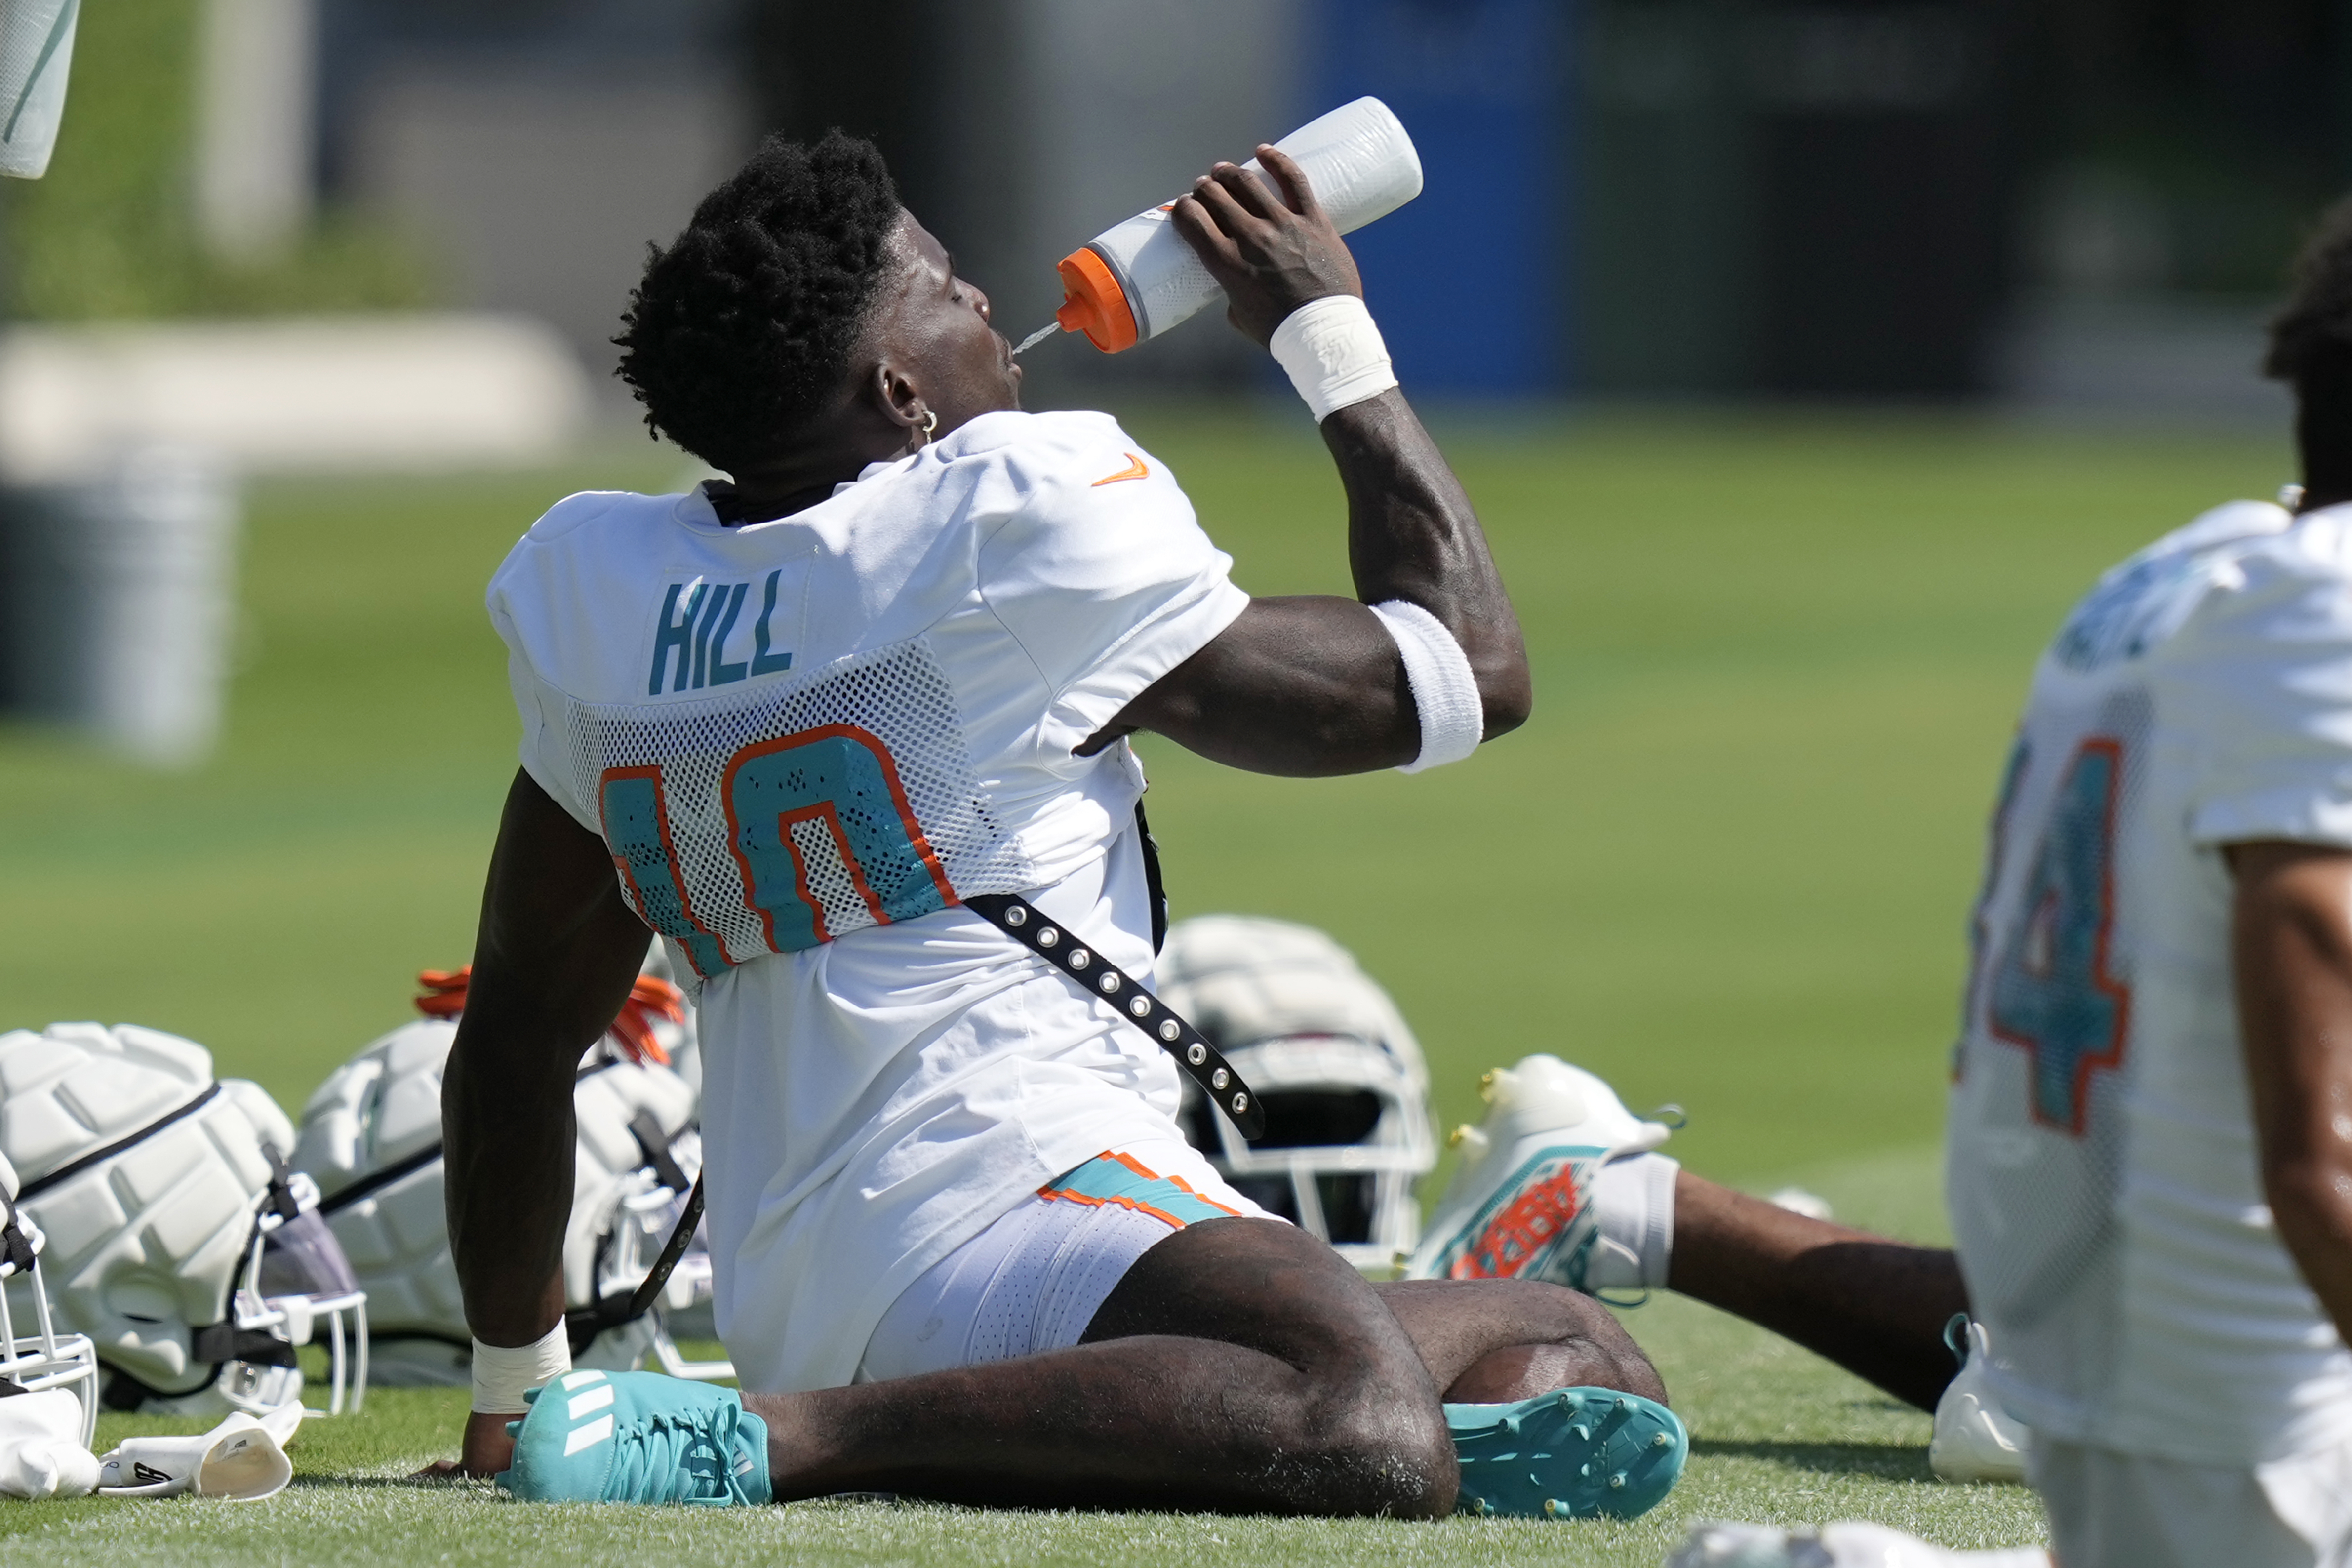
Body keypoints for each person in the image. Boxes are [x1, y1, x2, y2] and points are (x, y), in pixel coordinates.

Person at [434, 130, 1689, 1518]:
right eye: (943, 284)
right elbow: (1460, 674)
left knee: (1575, 1356)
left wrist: (513, 1394)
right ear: (901, 393)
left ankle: (1051, 1420)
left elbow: (518, 1032)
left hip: (804, 1278)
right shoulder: (1001, 520)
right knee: (1360, 1414)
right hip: (1009, 1191)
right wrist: (1324, 329)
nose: (981, 304)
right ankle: (784, 1444)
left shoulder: (602, 590)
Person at [1453, 203, 2352, 1568]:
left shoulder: (2185, 574)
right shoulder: (2322, 622)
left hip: (2093, 1334)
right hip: (2239, 1402)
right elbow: (2320, 1157)